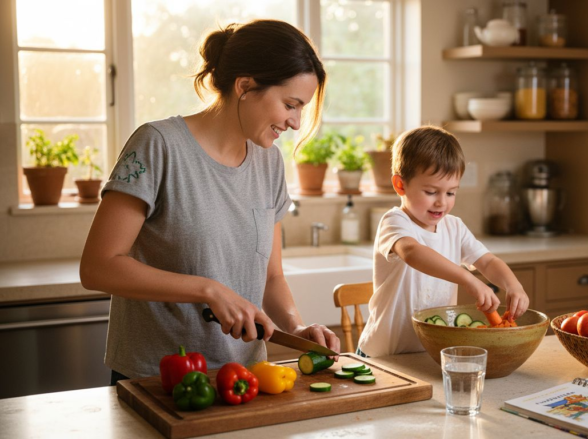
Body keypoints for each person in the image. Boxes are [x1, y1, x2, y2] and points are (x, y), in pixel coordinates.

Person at [80, 19, 340, 383]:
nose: (296, 122)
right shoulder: (159, 145)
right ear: (245, 86)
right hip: (157, 378)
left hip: (243, 378)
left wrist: (295, 328)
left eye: (301, 109)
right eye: (290, 104)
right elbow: (97, 267)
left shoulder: (269, 162)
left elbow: (271, 276)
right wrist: (208, 289)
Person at [356, 126, 530, 357]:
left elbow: (487, 261)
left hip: (430, 353)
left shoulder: (454, 226)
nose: (441, 203)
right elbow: (412, 252)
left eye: (450, 193)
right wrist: (467, 278)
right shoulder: (395, 221)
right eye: (431, 192)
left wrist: (513, 286)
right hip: (384, 354)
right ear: (400, 185)